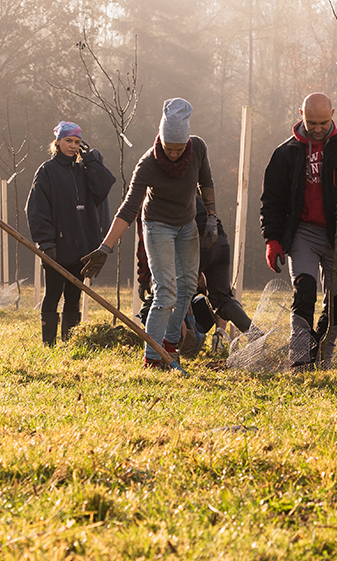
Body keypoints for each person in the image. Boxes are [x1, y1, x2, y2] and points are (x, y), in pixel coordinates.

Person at [82, 98, 218, 369]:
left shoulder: (199, 148)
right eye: (169, 148)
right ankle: (152, 359)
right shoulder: (148, 165)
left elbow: (206, 182)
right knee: (166, 290)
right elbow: (128, 209)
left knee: (188, 286)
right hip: (158, 226)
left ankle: (169, 345)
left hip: (187, 224)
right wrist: (105, 248)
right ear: (160, 140)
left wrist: (212, 218)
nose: (174, 154)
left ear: (187, 144)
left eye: (180, 149)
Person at [260, 93, 337, 370]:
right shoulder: (285, 153)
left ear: (333, 114)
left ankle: (322, 354)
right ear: (300, 113)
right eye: (311, 122)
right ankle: (300, 359)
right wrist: (272, 240)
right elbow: (272, 201)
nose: (317, 128)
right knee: (304, 291)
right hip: (303, 234)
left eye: (323, 122)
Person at [25, 121, 115, 346]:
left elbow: (103, 188)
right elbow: (37, 209)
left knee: (74, 297)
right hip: (56, 246)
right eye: (68, 141)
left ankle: (69, 342)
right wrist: (46, 242)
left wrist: (92, 161)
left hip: (83, 246)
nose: (73, 146)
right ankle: (49, 344)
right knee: (53, 294)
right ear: (57, 142)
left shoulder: (85, 170)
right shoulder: (46, 171)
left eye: (77, 142)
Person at [136, 194, 253, 357]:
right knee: (221, 298)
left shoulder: (150, 202)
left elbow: (146, 244)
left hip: (197, 242)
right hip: (219, 240)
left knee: (166, 297)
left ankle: (173, 345)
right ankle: (256, 336)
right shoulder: (188, 187)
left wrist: (143, 278)